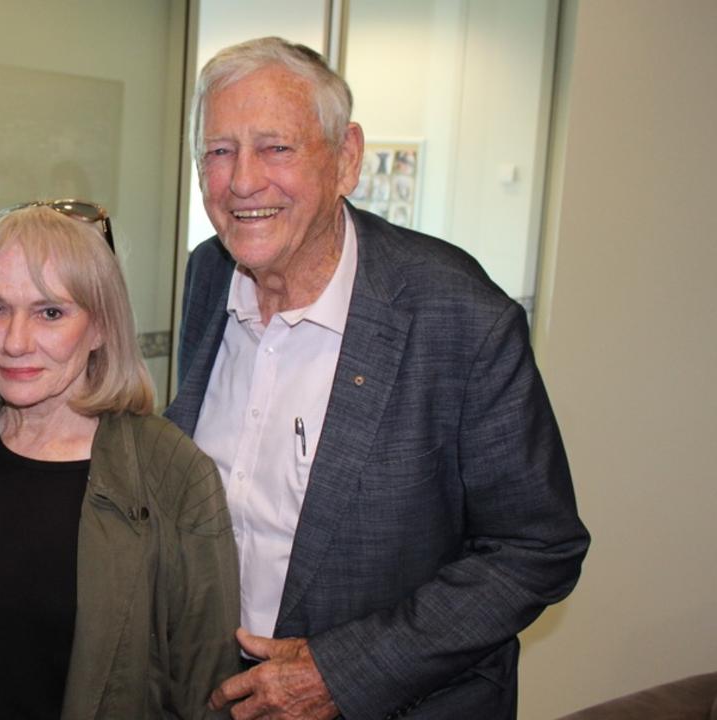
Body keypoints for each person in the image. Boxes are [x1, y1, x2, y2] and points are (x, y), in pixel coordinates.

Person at [164, 37, 590, 720]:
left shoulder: (460, 318)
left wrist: (340, 672)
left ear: (347, 159)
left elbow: (536, 548)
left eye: (275, 148)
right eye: (218, 151)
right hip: (223, 691)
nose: (241, 180)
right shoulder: (204, 276)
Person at [0, 201, 241, 719]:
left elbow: (206, 692)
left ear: (100, 327)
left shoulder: (174, 475)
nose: (14, 342)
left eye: (50, 312)